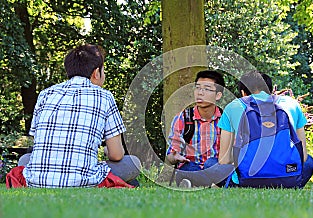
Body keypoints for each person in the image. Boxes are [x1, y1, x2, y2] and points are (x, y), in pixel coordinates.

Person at [6, 44, 141, 188]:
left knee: (25, 160)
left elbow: (39, 143)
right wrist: (108, 150)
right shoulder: (104, 96)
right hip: (82, 180)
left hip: (37, 179)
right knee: (133, 163)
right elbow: (116, 155)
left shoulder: (45, 94)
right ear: (96, 73)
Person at [218, 71, 313, 188]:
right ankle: (290, 184)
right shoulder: (292, 104)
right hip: (288, 176)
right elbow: (302, 156)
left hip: (247, 179)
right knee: (309, 162)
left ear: (243, 93)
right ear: (269, 90)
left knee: (210, 164)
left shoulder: (233, 107)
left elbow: (224, 160)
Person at [166, 70, 234, 188]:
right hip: (190, 166)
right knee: (187, 170)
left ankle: (196, 183)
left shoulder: (226, 120)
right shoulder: (183, 118)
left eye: (207, 89)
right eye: (197, 88)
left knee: (211, 164)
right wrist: (175, 157)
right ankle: (213, 184)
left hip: (215, 167)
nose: (200, 93)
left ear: (218, 95)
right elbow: (171, 155)